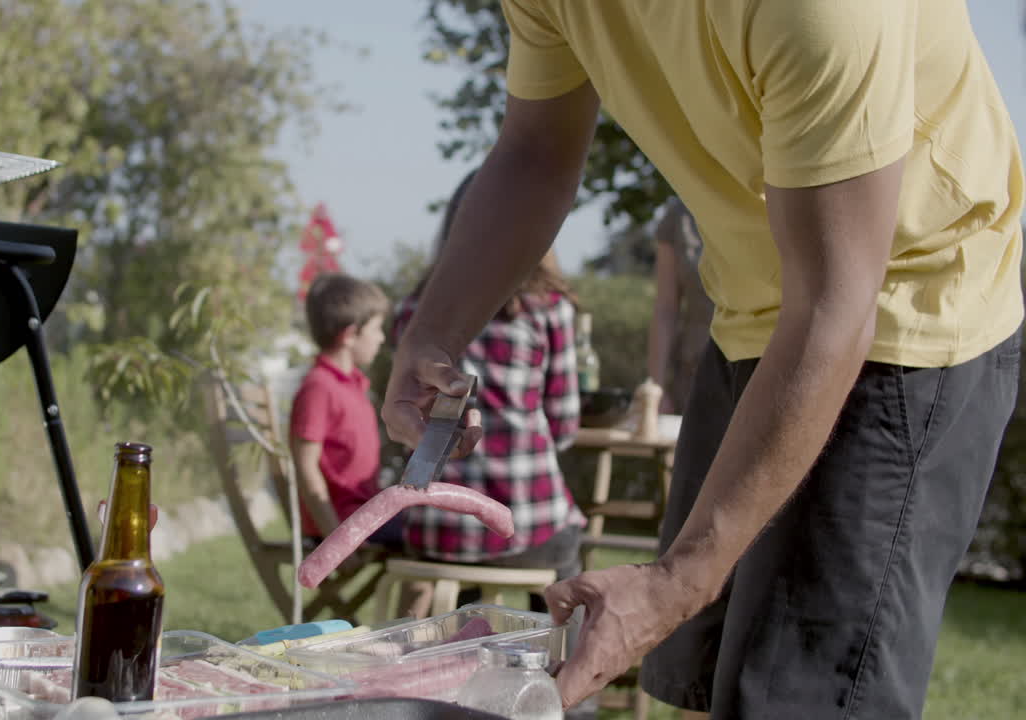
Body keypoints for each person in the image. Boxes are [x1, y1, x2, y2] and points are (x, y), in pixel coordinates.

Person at [381, 2, 1023, 717]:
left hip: (901, 321)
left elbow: (836, 307)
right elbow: (535, 152)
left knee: (791, 700)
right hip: (751, 304)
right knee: (698, 686)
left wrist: (677, 582)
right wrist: (432, 333)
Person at [393, 169, 584, 613]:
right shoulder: (547, 310)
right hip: (527, 524)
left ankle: (462, 637)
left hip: (436, 529)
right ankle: (555, 650)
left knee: (464, 580)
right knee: (566, 543)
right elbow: (564, 426)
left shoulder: (413, 311)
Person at [289, 273, 395, 545]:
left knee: (434, 524)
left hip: (366, 514)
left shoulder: (354, 387)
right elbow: (305, 467)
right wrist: (335, 540)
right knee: (436, 532)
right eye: (376, 329)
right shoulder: (319, 388)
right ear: (350, 335)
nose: (381, 338)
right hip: (344, 524)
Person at [647, 197, 714, 415]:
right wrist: (657, 387)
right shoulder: (680, 214)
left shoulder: (774, 198)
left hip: (761, 368)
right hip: (694, 375)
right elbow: (666, 309)